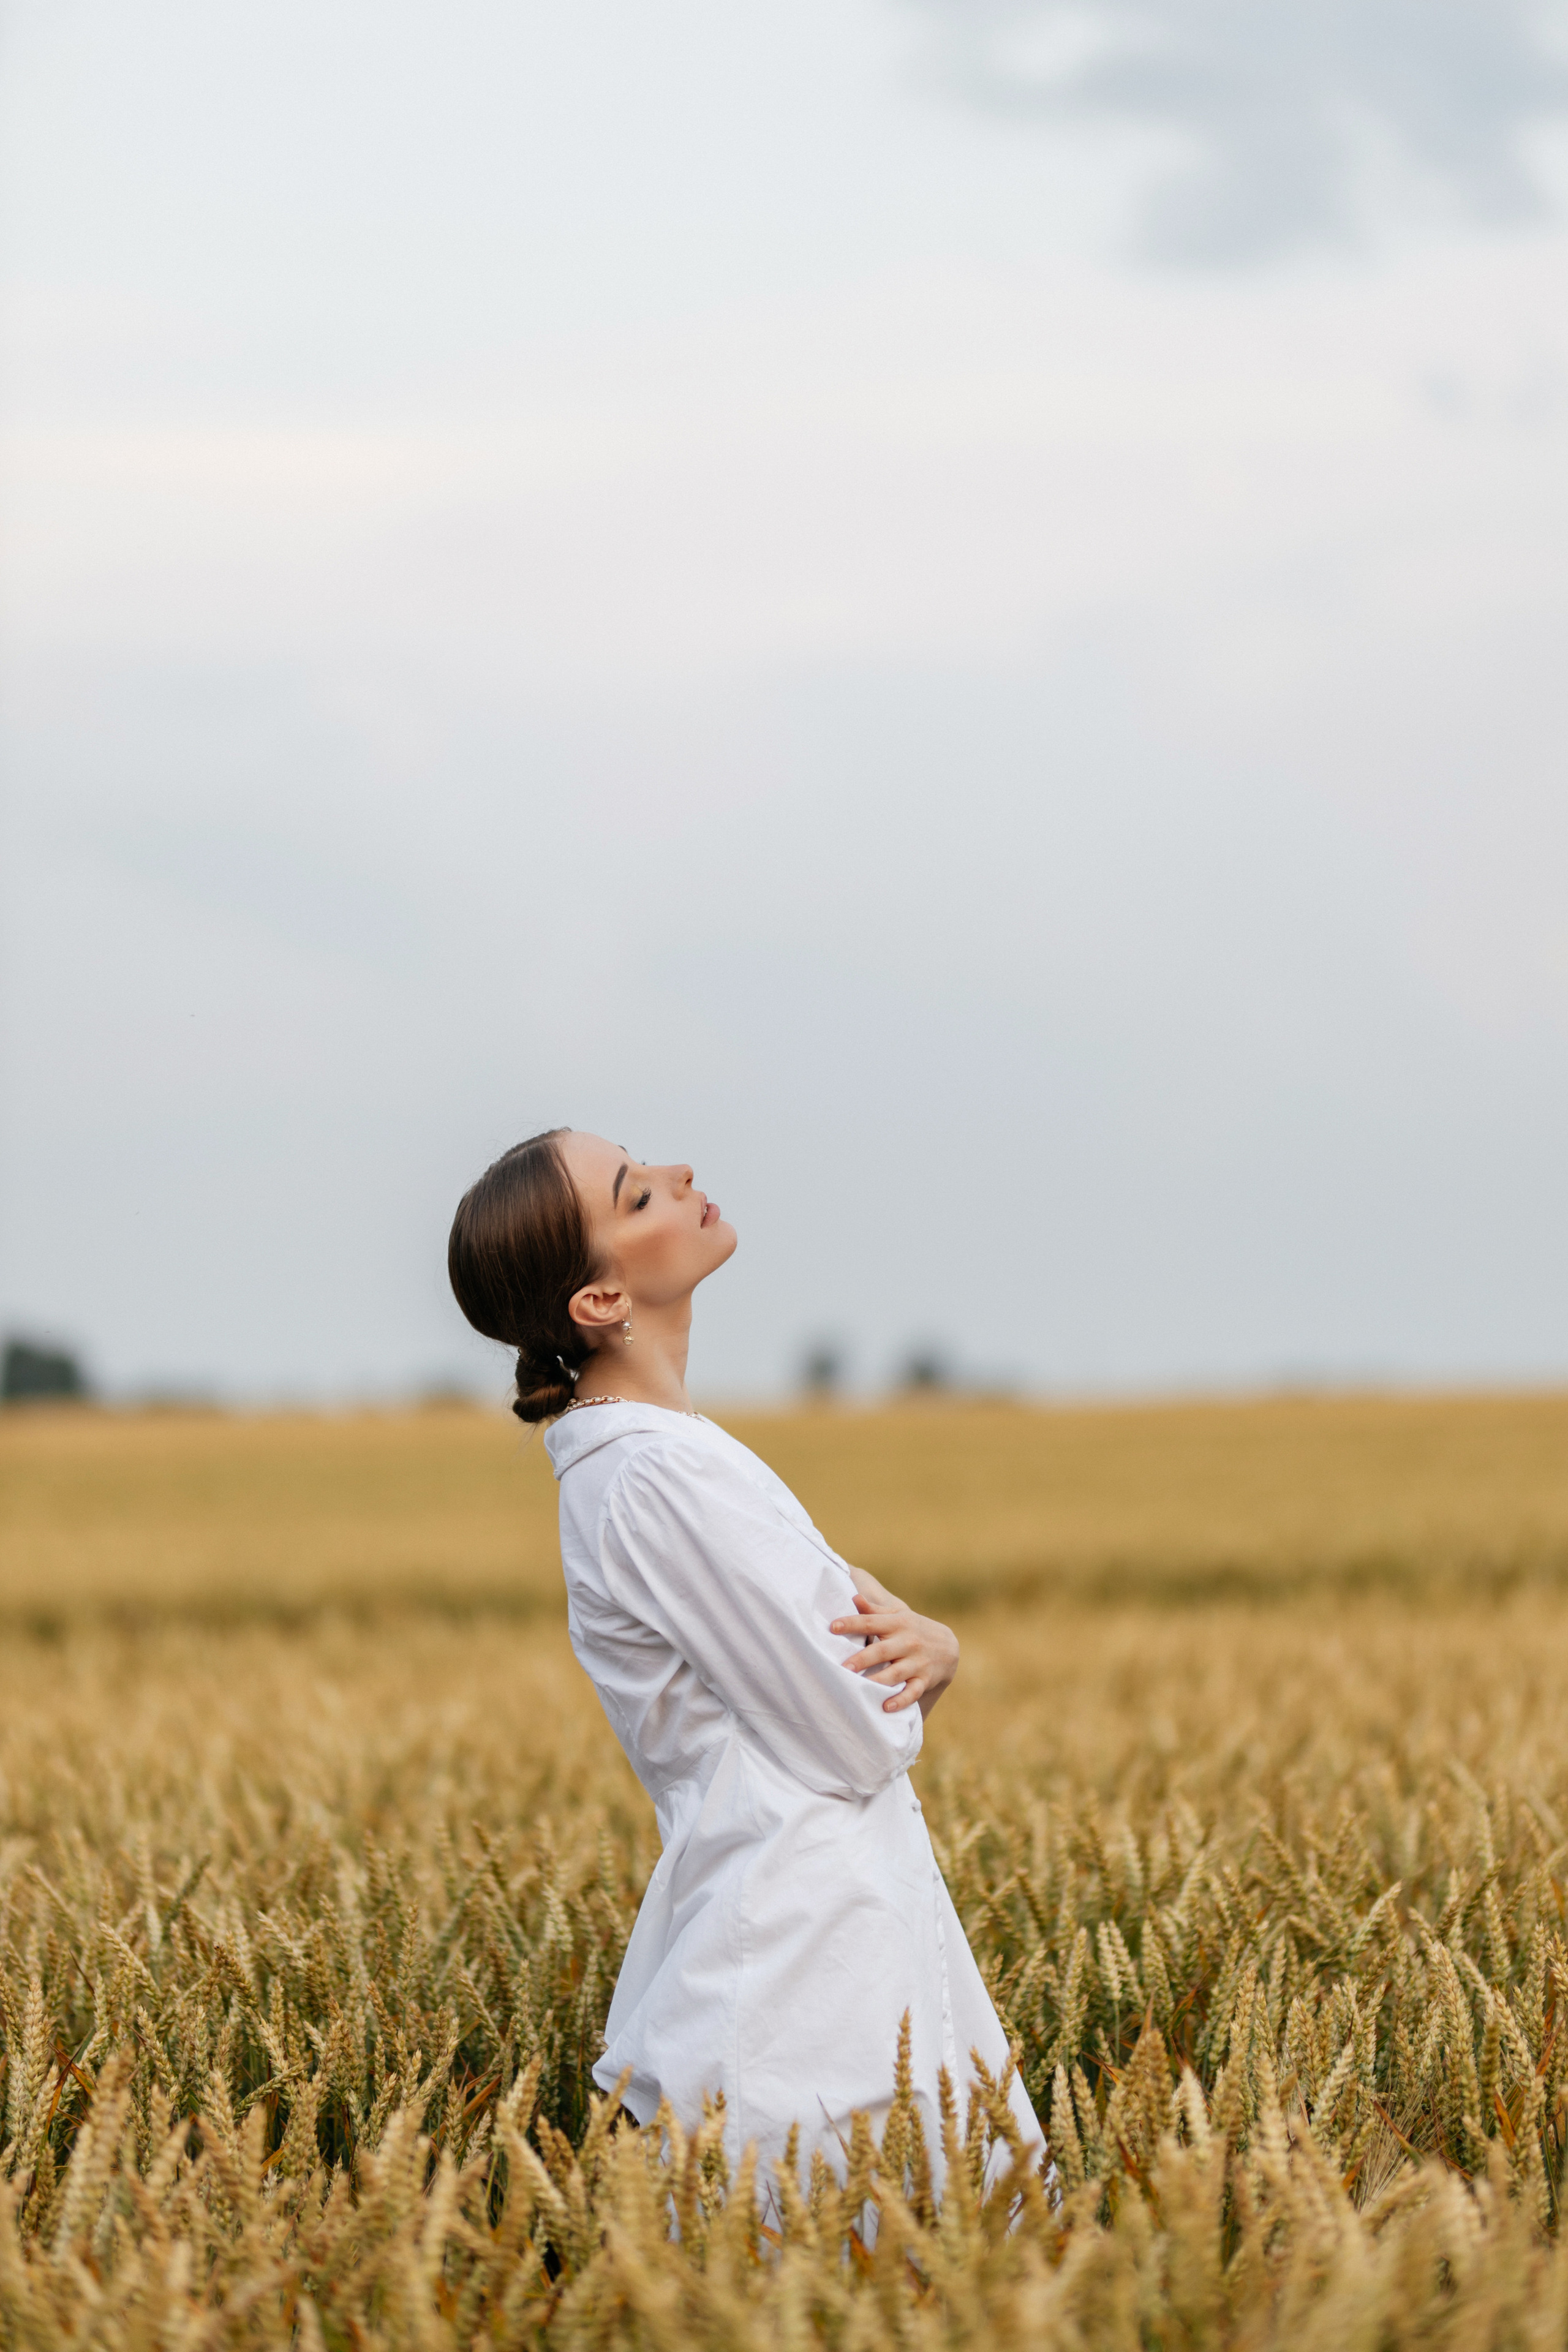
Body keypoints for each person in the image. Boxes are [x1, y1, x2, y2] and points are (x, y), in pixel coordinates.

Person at [447, 1128, 1043, 2192]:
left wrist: (920, 1656)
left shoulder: (656, 1458)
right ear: (598, 1302)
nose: (677, 1175)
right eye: (635, 1197)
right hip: (807, 1977)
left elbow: (843, 1678)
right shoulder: (654, 1477)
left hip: (824, 1937)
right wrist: (928, 1664)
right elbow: (860, 1729)